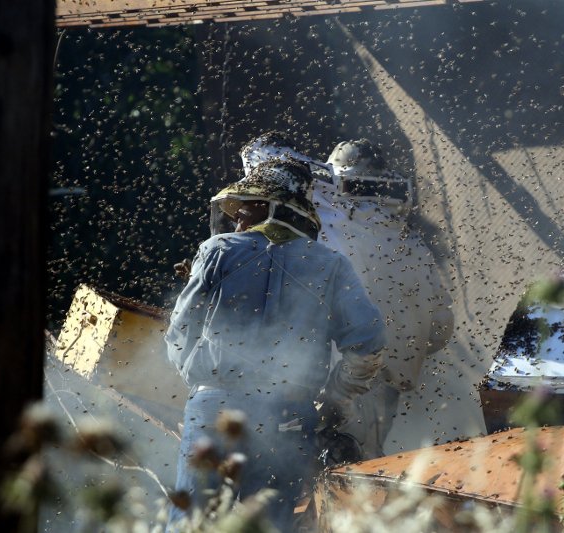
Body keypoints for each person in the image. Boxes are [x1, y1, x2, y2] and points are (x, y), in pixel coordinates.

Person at [165, 159, 386, 530]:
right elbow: (368, 344)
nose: (238, 222)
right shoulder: (331, 265)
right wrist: (334, 398)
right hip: (288, 413)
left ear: (270, 208)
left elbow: (180, 331)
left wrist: (202, 382)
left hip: (214, 408)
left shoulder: (218, 250)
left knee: (191, 523)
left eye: (244, 211)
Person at [316, 139, 454, 458]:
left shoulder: (323, 235)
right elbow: (441, 329)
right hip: (387, 384)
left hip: (334, 383)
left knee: (331, 473)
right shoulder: (415, 246)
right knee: (364, 468)